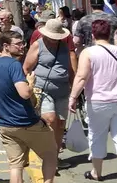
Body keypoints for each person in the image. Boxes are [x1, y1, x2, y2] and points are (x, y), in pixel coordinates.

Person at [0, 31, 63, 183]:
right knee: (51, 152)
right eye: (18, 44)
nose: (22, 47)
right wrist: (30, 82)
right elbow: (25, 93)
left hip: (5, 123)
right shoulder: (14, 65)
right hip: (26, 121)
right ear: (6, 46)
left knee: (15, 166)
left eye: (23, 43)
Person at [67, 20, 117, 183]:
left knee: (97, 135)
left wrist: (73, 97)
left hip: (99, 100)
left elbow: (82, 77)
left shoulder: (88, 52)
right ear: (109, 34)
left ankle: (97, 173)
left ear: (92, 35)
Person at [22, 18, 76, 168]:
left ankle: (55, 157)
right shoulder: (37, 45)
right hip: (43, 89)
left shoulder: (65, 47)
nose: (53, 39)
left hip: (63, 90)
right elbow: (26, 68)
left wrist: (75, 90)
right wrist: (28, 86)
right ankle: (47, 156)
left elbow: (70, 69)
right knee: (50, 120)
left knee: (60, 125)